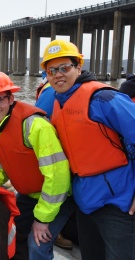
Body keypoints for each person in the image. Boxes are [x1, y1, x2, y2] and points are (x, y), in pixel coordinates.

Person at [41, 39, 135, 260]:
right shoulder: (56, 101)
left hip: (117, 203)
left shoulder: (103, 98)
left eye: (65, 67)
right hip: (84, 201)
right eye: (51, 70)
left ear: (79, 67)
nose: (58, 74)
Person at [0, 71, 74, 260]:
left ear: (11, 98)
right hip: (29, 195)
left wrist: (42, 219)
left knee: (38, 245)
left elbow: (57, 175)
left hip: (57, 197)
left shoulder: (35, 126)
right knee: (10, 232)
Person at [34, 71, 75, 250]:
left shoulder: (48, 92)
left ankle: (55, 230)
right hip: (65, 162)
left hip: (61, 165)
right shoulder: (54, 92)